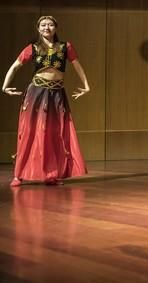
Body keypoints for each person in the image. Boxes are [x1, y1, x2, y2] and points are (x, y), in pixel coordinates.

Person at [2, 16, 90, 187]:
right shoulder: (32, 48)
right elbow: (15, 66)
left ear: (55, 28)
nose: (46, 28)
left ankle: (51, 174)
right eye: (43, 25)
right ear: (38, 28)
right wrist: (5, 86)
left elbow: (77, 66)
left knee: (54, 134)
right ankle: (18, 175)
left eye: (50, 25)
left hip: (56, 94)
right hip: (36, 93)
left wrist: (86, 85)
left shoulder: (65, 47)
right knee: (29, 132)